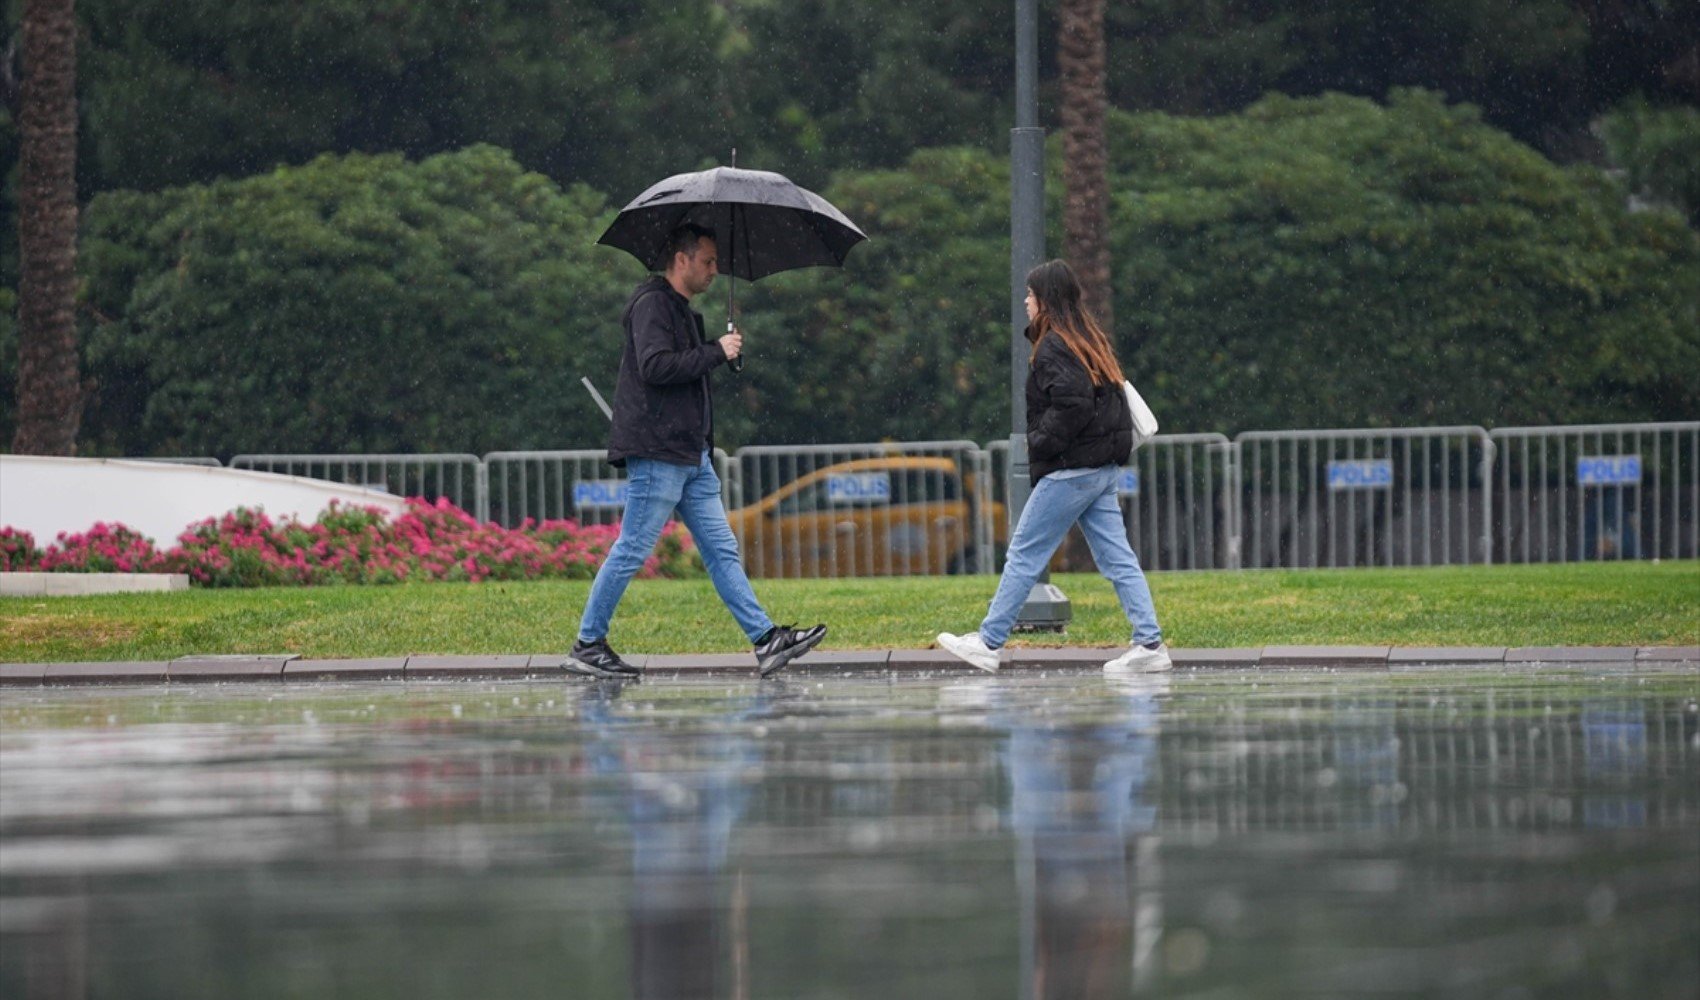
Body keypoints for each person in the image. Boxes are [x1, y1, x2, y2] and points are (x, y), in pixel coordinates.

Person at [569, 223, 826, 679]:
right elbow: (655, 366)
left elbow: (682, 371)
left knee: (722, 550)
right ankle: (588, 642)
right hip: (660, 451)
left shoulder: (680, 309)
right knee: (632, 549)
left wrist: (714, 355)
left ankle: (766, 640)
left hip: (690, 456)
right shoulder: (652, 304)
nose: (714, 270)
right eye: (707, 261)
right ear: (681, 259)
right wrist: (714, 351)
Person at [937, 259, 1171, 673]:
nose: (1025, 302)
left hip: (1071, 470)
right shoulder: (1085, 339)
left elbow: (1073, 404)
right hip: (1098, 470)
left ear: (1045, 300)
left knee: (1025, 554)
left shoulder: (1054, 346)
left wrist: (1040, 441)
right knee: (1119, 560)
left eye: (1030, 295)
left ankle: (989, 642)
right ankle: (1150, 644)